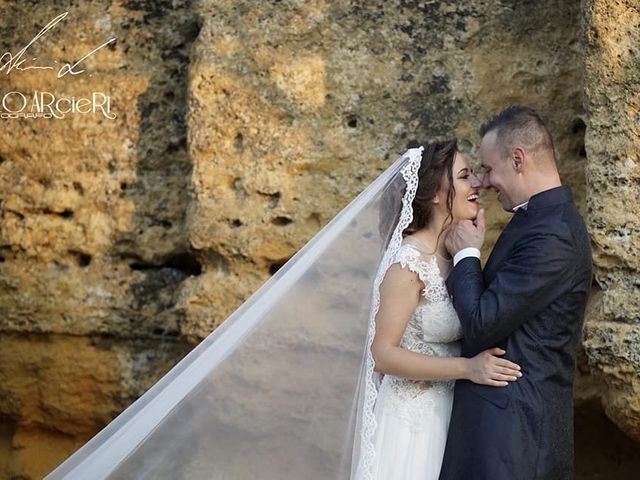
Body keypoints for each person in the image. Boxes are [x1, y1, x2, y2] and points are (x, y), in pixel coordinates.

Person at [351, 140, 522, 480]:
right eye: (463, 176)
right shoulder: (407, 264)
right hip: (412, 426)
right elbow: (382, 354)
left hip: (450, 418)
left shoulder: (453, 256)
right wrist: (469, 368)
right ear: (433, 194)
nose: (476, 184)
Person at [439, 106, 592, 480]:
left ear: (518, 158)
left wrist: (467, 254)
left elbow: (481, 323)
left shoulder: (553, 234)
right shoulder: (538, 220)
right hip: (499, 432)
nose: (486, 182)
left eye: (489, 169)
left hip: (514, 439)